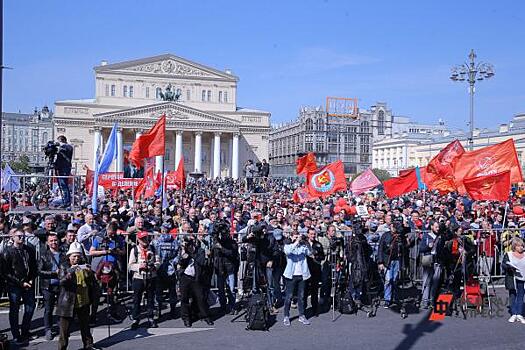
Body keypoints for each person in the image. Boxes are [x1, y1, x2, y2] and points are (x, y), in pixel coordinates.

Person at [56, 242, 100, 350]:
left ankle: (88, 345)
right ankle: (62, 348)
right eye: (74, 256)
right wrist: (69, 273)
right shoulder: (64, 266)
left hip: (83, 300)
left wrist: (90, 273)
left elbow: (91, 282)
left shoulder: (83, 265)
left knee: (85, 327)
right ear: (69, 256)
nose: (76, 259)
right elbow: (61, 282)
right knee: (64, 331)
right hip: (68, 303)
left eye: (78, 256)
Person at [1, 228, 38, 345]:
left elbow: (33, 267)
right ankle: (16, 335)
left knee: (30, 308)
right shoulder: (7, 252)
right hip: (14, 285)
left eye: (23, 236)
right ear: (13, 237)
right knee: (14, 310)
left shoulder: (29, 250)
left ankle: (25, 332)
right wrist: (20, 283)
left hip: (28, 283)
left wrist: (31, 279)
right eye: (19, 236)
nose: (21, 238)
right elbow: (6, 272)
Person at [177, 235, 214, 327]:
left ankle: (205, 316)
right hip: (185, 277)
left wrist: (191, 254)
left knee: (200, 298)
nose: (188, 247)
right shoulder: (183, 252)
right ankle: (186, 318)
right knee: (184, 298)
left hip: (196, 278)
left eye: (189, 244)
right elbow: (180, 264)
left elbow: (201, 262)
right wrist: (183, 256)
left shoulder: (200, 251)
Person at [128, 231, 160, 329]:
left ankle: (151, 317)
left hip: (151, 276)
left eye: (146, 238)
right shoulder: (134, 250)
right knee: (137, 299)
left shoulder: (153, 249)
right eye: (142, 239)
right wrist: (139, 266)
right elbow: (130, 265)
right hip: (139, 277)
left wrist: (154, 267)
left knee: (150, 298)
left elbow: (158, 261)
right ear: (138, 240)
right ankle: (136, 319)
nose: (145, 241)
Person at [38, 233, 66, 341]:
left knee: (60, 308)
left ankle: (61, 327)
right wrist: (54, 273)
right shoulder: (44, 255)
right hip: (48, 286)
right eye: (51, 241)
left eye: (55, 240)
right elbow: (40, 271)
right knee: (48, 309)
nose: (54, 242)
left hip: (60, 285)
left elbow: (67, 266)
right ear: (47, 242)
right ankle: (48, 329)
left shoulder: (63, 254)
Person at [282, 231, 312, 326]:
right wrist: (295, 242)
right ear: (291, 237)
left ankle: (302, 315)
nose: (297, 238)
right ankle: (286, 316)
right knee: (289, 296)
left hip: (302, 275)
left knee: (302, 297)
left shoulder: (303, 246)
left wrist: (307, 242)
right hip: (291, 275)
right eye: (295, 236)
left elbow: (310, 253)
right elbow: (287, 252)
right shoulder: (288, 245)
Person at [154, 223, 180, 319]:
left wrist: (173, 262)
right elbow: (154, 253)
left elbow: (178, 253)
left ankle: (170, 310)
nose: (164, 231)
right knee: (160, 291)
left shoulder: (173, 241)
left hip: (168, 269)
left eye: (165, 230)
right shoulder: (157, 241)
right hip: (161, 269)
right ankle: (159, 310)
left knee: (170, 291)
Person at [502, 237, 525, 324]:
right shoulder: (509, 254)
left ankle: (519, 314)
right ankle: (514, 313)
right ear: (514, 246)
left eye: (522, 246)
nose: (521, 248)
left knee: (521, 295)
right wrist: (509, 267)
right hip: (512, 278)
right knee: (512, 295)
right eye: (519, 246)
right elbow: (504, 265)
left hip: (523, 278)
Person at [55, 135, 73, 208]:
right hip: (60, 167)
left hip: (65, 168)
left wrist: (60, 146)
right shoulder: (61, 149)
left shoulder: (68, 147)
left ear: (63, 141)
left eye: (59, 141)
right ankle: (65, 201)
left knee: (64, 185)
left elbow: (67, 149)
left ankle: (67, 201)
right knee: (62, 185)